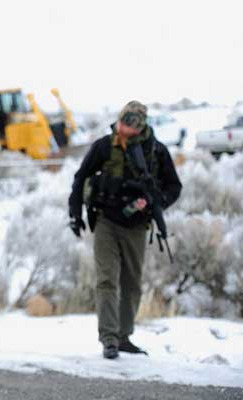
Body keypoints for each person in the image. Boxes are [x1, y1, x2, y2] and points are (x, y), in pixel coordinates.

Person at [68, 101, 182, 359]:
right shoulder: (104, 146)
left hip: (136, 226)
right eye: (120, 123)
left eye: (127, 126)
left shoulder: (156, 151)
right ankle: (108, 339)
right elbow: (80, 177)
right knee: (106, 280)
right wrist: (74, 213)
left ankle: (124, 336)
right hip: (106, 221)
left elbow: (174, 186)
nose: (120, 129)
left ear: (139, 128)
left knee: (132, 282)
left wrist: (155, 203)